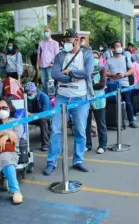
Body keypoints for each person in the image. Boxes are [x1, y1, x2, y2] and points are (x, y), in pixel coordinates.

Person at [44, 28, 94, 175]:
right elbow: (55, 74)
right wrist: (73, 77)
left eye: (68, 41)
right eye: (64, 41)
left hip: (81, 97)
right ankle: (51, 162)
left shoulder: (86, 54)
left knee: (80, 130)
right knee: (56, 130)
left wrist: (67, 73)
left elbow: (87, 73)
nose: (66, 43)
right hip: (62, 97)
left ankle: (78, 160)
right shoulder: (60, 56)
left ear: (77, 40)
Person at [105, 40, 137, 128]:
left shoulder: (126, 58)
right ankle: (113, 120)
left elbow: (131, 69)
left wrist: (124, 74)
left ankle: (131, 120)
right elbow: (104, 72)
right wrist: (112, 75)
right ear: (112, 48)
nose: (118, 48)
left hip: (124, 83)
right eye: (116, 46)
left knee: (128, 102)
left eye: (120, 46)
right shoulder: (109, 60)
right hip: (113, 84)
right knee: (112, 103)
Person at [85, 51, 108, 154]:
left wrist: (89, 85)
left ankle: (103, 145)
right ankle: (87, 145)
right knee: (86, 124)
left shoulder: (102, 69)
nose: (94, 59)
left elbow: (102, 85)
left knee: (101, 124)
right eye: (92, 57)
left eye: (96, 57)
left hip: (99, 99)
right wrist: (93, 84)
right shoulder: (86, 69)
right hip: (86, 99)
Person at [25, 82, 51, 152]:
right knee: (21, 119)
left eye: (31, 94)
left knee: (43, 119)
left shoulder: (44, 97)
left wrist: (31, 114)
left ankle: (45, 144)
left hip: (45, 117)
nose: (29, 95)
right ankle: (23, 144)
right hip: (32, 116)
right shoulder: (26, 97)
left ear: (35, 91)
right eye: (28, 94)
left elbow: (44, 113)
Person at [37, 27, 59, 94]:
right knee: (43, 83)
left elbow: (57, 55)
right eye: (45, 31)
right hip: (42, 65)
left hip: (50, 66)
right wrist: (37, 64)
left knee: (50, 83)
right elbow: (38, 54)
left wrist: (52, 62)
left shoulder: (55, 43)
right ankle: (45, 96)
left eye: (47, 31)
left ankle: (51, 98)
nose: (46, 33)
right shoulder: (41, 43)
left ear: (50, 33)